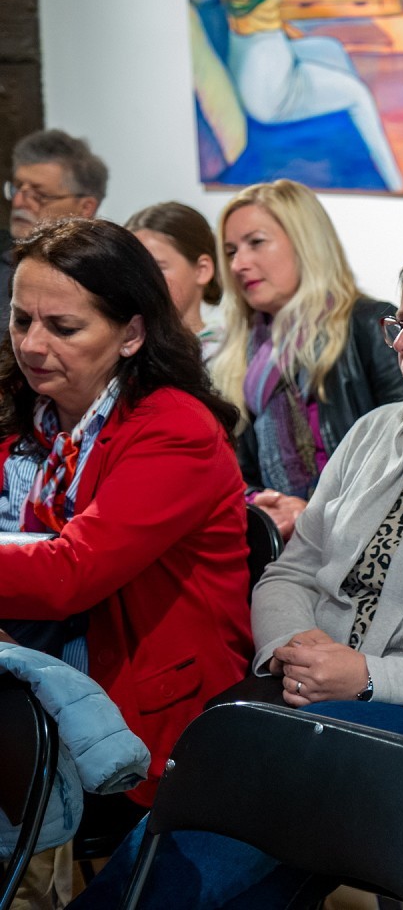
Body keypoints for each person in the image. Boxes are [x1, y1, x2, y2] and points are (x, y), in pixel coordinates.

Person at [69, 237, 403, 909]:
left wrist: (368, 677)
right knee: (232, 762)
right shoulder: (376, 433)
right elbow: (290, 575)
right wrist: (294, 650)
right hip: (321, 704)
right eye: (401, 323)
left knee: (267, 766)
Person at [0, 219, 251, 814]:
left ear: (132, 334)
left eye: (63, 328)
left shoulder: (175, 428)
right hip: (40, 686)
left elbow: (70, 575)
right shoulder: (28, 410)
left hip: (145, 723)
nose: (31, 345)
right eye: (21, 319)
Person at [212, 179, 403, 539]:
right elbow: (232, 471)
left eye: (256, 242)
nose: (238, 264)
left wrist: (320, 512)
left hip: (369, 534)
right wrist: (265, 503)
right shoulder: (238, 353)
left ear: (306, 244)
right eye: (230, 251)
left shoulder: (370, 325)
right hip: (287, 541)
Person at [210, 0, 403, 191]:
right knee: (359, 96)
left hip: (258, 58)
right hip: (269, 91)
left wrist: (284, 27)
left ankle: (348, 135)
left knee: (330, 48)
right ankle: (395, 183)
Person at [3, 130, 110, 310]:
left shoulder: (108, 282)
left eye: (39, 195)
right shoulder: (4, 265)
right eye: (17, 188)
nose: (18, 202)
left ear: (86, 207)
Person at [125, 202, 226, 361]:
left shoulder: (226, 355)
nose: (141, 279)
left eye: (157, 268)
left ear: (202, 270)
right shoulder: (124, 347)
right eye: (132, 269)